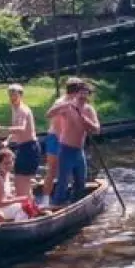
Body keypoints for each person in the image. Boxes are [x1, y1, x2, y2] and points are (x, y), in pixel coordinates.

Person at [47, 80, 100, 207]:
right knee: (63, 182)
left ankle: (75, 205)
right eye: (80, 93)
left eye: (85, 94)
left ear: (88, 95)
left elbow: (97, 130)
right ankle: (57, 205)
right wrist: (63, 105)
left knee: (81, 182)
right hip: (66, 149)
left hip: (79, 151)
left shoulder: (89, 110)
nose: (82, 96)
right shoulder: (68, 107)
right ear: (76, 94)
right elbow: (49, 114)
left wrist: (86, 120)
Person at [0, 84, 40, 197]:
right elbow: (15, 128)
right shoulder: (14, 109)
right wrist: (7, 141)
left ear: (21, 96)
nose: (12, 98)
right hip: (23, 148)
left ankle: (26, 210)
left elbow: (22, 128)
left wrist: (0, 129)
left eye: (14, 95)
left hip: (29, 148)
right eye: (10, 95)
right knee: (22, 183)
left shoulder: (23, 110)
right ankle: (29, 207)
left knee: (20, 183)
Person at [41, 78, 80, 206]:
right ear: (77, 91)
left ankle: (65, 194)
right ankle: (46, 200)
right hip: (57, 138)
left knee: (65, 169)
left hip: (63, 138)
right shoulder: (62, 103)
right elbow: (57, 125)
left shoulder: (74, 102)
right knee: (52, 169)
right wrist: (65, 142)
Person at [0, 148, 30, 221]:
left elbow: (5, 196)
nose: (9, 165)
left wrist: (18, 198)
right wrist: (19, 199)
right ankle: (17, 228)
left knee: (26, 203)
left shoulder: (6, 174)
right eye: (6, 163)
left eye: (11, 162)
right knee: (22, 208)